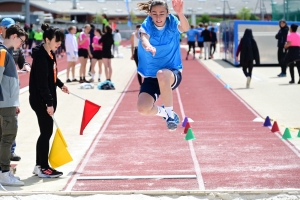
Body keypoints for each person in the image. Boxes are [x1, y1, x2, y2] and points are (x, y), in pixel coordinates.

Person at [136, 0, 189, 131]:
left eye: (161, 13)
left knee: (162, 74)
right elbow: (144, 38)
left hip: (171, 72)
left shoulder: (172, 22)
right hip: (151, 75)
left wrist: (180, 13)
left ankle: (170, 116)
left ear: (167, 13)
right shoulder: (147, 23)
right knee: (143, 108)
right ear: (149, 13)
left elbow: (185, 28)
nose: (158, 17)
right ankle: (164, 113)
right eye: (154, 14)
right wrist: (148, 45)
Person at [29, 23, 69, 178]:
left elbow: (50, 76)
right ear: (46, 39)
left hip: (45, 98)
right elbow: (41, 83)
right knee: (46, 133)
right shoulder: (41, 57)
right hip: (41, 100)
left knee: (45, 132)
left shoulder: (49, 54)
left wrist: (60, 84)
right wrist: (49, 103)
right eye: (56, 41)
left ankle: (39, 165)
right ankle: (43, 167)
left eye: (60, 41)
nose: (58, 44)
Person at [0, 24, 27, 186]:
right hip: (4, 104)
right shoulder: (3, 52)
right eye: (21, 42)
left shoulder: (6, 52)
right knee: (7, 138)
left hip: (8, 103)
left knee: (5, 138)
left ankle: (3, 172)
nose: (21, 46)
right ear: (15, 36)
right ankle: (4, 173)